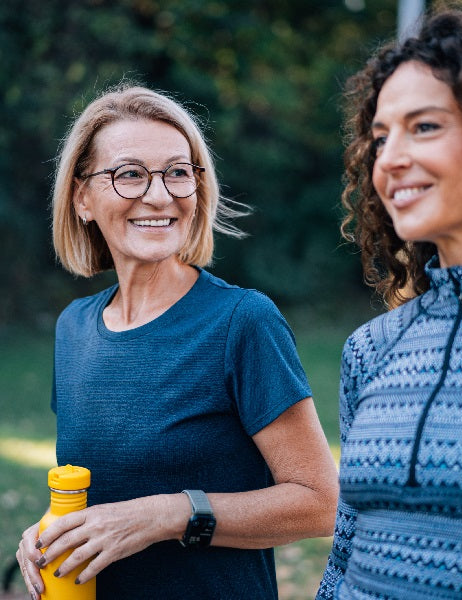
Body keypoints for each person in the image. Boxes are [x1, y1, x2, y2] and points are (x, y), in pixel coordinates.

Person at [16, 84, 338, 600]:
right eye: (130, 174)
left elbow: (320, 503)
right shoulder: (73, 327)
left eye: (177, 172)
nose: (160, 195)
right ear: (82, 198)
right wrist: (54, 531)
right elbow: (107, 491)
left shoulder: (242, 321)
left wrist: (169, 514)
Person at [317, 7, 462, 600]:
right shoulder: (372, 350)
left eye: (424, 126)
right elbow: (344, 553)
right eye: (380, 137)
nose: (390, 159)